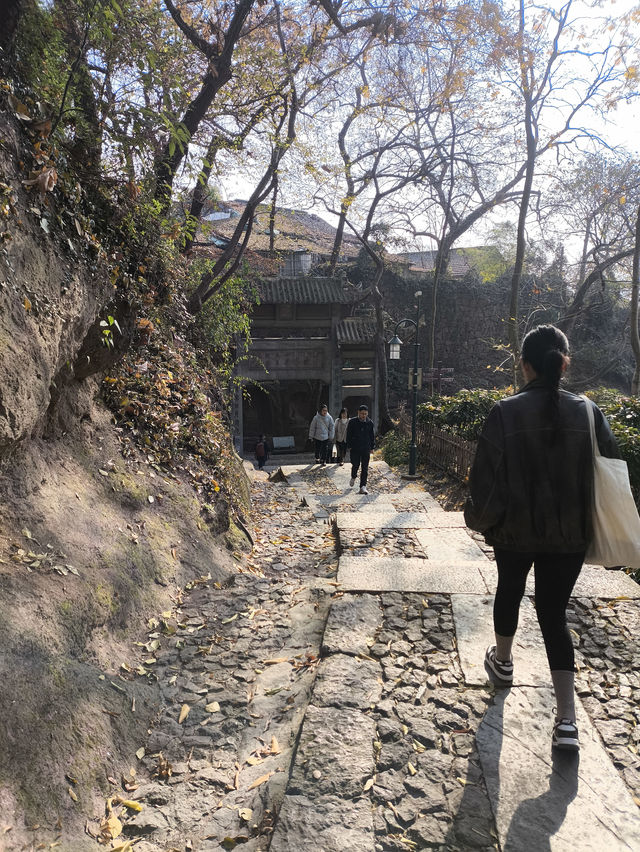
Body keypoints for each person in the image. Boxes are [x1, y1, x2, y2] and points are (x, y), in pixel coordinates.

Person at [464, 324, 619, 752]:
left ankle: (504, 663)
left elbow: (486, 481)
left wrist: (479, 520)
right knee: (554, 613)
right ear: (564, 362)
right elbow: (610, 469)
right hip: (569, 532)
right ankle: (567, 720)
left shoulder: (504, 412)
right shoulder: (589, 411)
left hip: (514, 529)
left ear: (525, 364)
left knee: (509, 590)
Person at [346, 404, 375, 494]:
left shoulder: (370, 423)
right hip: (355, 447)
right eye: (362, 414)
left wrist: (372, 447)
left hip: (366, 447)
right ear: (358, 412)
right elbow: (349, 434)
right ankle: (353, 476)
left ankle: (363, 486)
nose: (364, 416)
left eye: (365, 414)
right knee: (355, 464)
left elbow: (372, 436)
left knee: (365, 467)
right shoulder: (352, 422)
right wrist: (349, 445)